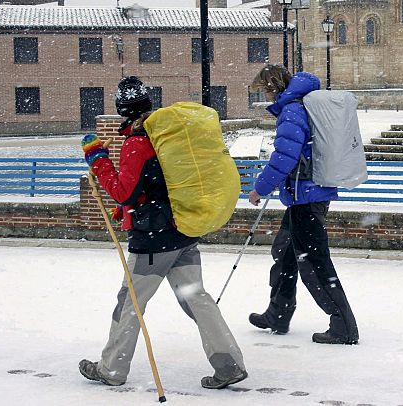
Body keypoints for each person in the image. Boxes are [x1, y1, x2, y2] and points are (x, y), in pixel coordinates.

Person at [78, 76, 247, 389]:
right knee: (197, 298)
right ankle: (229, 365)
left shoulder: (136, 144)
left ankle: (111, 369)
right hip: (182, 230)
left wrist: (98, 159)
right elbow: (159, 187)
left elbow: (124, 192)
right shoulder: (164, 137)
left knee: (130, 303)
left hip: (155, 240)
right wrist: (131, 207)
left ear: (121, 110)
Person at [248, 64, 359, 345]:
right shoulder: (299, 106)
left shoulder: (292, 111)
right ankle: (278, 313)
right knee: (285, 252)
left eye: (264, 90)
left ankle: (343, 325)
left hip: (306, 197)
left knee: (314, 261)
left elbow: (285, 155)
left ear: (272, 87)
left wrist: (260, 188)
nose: (265, 96)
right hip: (307, 193)